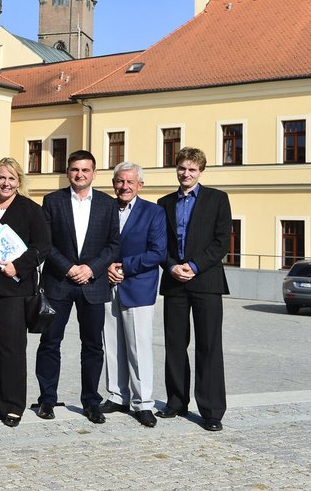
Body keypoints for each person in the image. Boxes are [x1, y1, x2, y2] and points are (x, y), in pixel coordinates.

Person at [35, 149, 119, 424]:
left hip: (93, 284)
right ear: (68, 171)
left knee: (93, 345)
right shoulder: (52, 201)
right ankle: (47, 399)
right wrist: (69, 267)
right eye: (74, 169)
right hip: (59, 281)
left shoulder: (108, 204)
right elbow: (45, 243)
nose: (79, 174)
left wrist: (91, 268)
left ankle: (91, 401)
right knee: (50, 342)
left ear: (94, 173)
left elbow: (113, 245)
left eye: (85, 170)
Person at [0, 158, 51, 427]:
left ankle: (13, 404)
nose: (6, 183)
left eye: (12, 179)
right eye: (2, 177)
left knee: (11, 347)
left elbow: (43, 245)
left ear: (19, 182)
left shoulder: (30, 209)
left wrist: (18, 265)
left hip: (14, 287)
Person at [156, 147, 231, 432]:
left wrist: (195, 266)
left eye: (192, 169)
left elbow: (222, 241)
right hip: (175, 281)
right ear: (176, 169)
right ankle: (176, 401)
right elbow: (159, 242)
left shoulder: (218, 199)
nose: (186, 174)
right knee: (175, 345)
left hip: (207, 281)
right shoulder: (163, 203)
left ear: (201, 171)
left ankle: (211, 410)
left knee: (209, 346)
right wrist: (172, 265)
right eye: (182, 169)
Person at [99, 162, 166, 428]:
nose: (124, 186)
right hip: (107, 284)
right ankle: (117, 395)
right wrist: (106, 267)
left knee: (138, 347)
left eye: (129, 182)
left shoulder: (154, 212)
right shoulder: (104, 210)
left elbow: (157, 252)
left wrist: (124, 267)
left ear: (140, 185)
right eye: (119, 181)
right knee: (112, 344)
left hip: (137, 285)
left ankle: (143, 402)